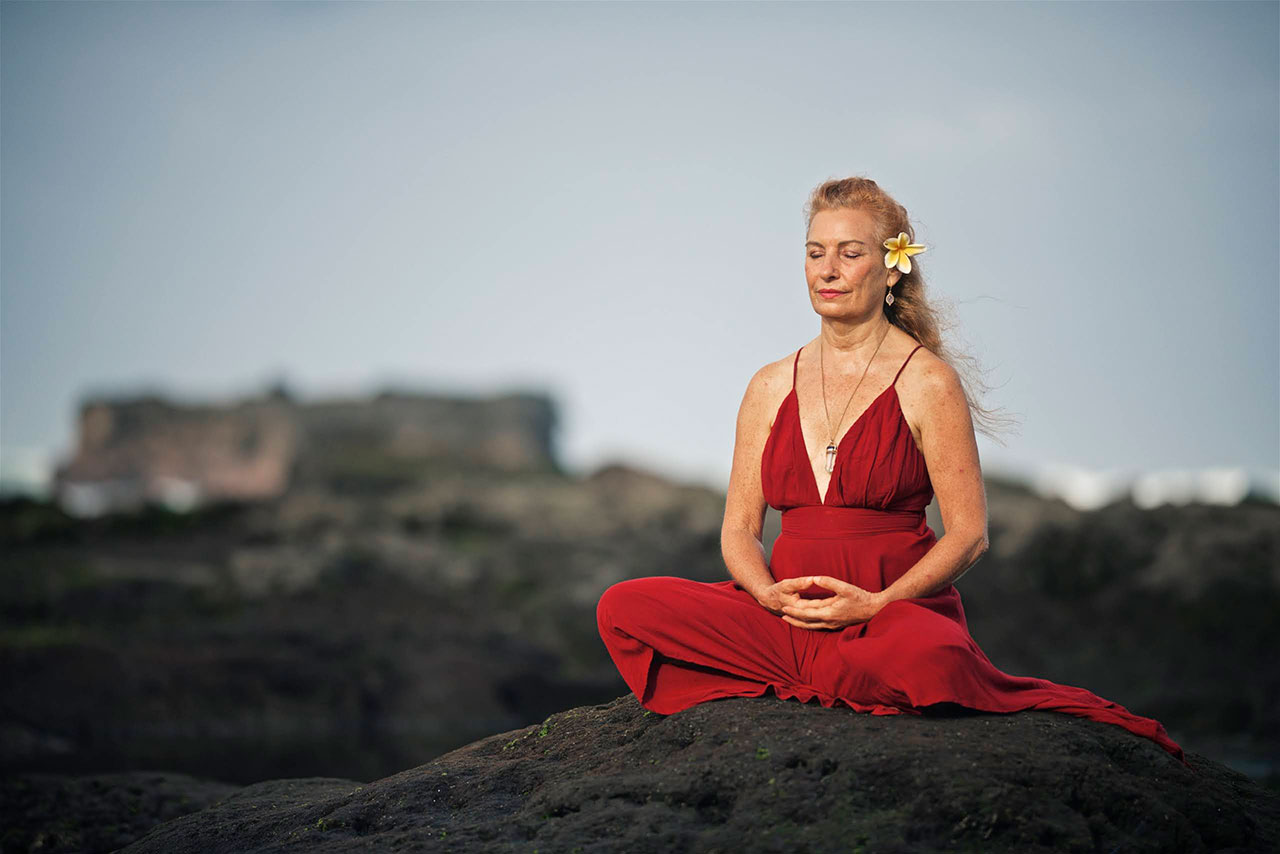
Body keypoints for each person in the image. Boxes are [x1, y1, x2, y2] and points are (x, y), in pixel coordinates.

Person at [595, 176, 1188, 765]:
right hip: (785, 620)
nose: (827, 270)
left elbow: (969, 534)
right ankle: (819, 673)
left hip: (891, 617)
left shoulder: (929, 381)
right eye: (815, 252)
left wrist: (875, 605)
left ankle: (831, 673)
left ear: (891, 267)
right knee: (624, 607)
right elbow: (739, 530)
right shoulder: (770, 384)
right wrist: (767, 593)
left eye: (849, 254)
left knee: (931, 662)